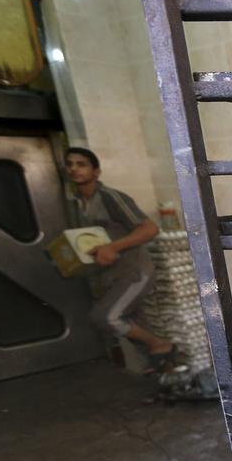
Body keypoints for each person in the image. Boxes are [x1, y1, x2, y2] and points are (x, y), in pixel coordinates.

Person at [64, 147, 175, 371]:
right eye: (70, 164)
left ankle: (161, 344)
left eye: (81, 164)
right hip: (111, 276)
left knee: (104, 317)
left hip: (135, 273)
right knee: (136, 327)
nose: (74, 168)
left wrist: (112, 246)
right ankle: (169, 380)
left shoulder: (110, 197)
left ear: (96, 171)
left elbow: (150, 229)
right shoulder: (76, 204)